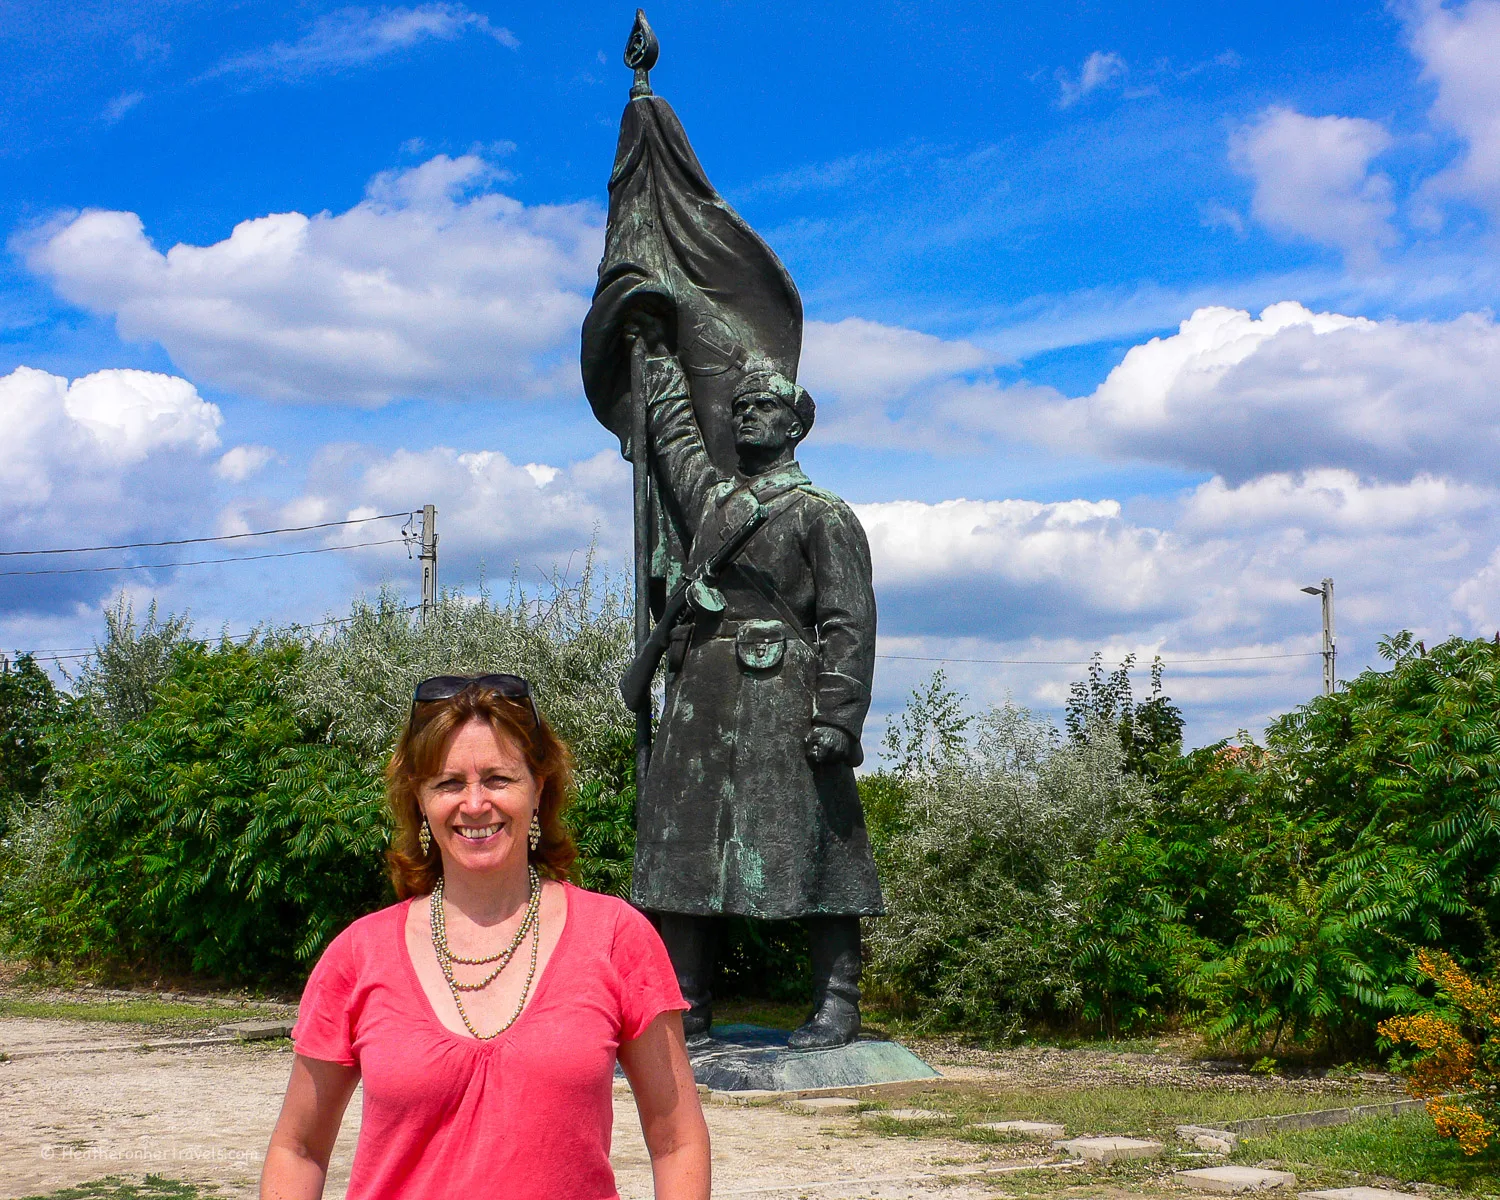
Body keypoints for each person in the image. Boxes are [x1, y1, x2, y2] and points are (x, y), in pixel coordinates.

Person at [260, 674, 710, 1200]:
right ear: (420, 799)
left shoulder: (615, 937)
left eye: (498, 778)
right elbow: (299, 1149)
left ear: (539, 788)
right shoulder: (358, 955)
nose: (474, 804)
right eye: (448, 783)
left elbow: (678, 1141)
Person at [627, 316, 883, 1050]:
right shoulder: (714, 506)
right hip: (703, 696)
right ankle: (685, 1004)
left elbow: (846, 620)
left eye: (763, 406)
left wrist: (837, 715)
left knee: (815, 848)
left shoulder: (822, 515)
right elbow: (674, 441)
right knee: (684, 849)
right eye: (738, 407)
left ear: (796, 424)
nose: (745, 415)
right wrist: (657, 361)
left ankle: (837, 1003)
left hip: (783, 696)